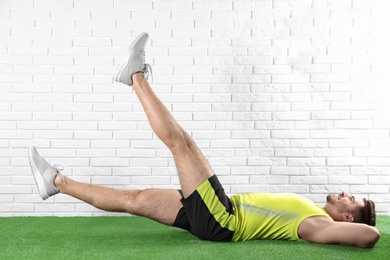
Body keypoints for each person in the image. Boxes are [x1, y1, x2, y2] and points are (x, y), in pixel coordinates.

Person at [29, 32, 380, 248]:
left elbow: (371, 237)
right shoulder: (313, 210)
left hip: (222, 219)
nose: (345, 194)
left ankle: (134, 76)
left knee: (182, 143)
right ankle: (56, 183)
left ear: (349, 218)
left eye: (352, 200)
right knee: (133, 199)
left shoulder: (318, 224)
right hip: (216, 215)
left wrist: (364, 226)